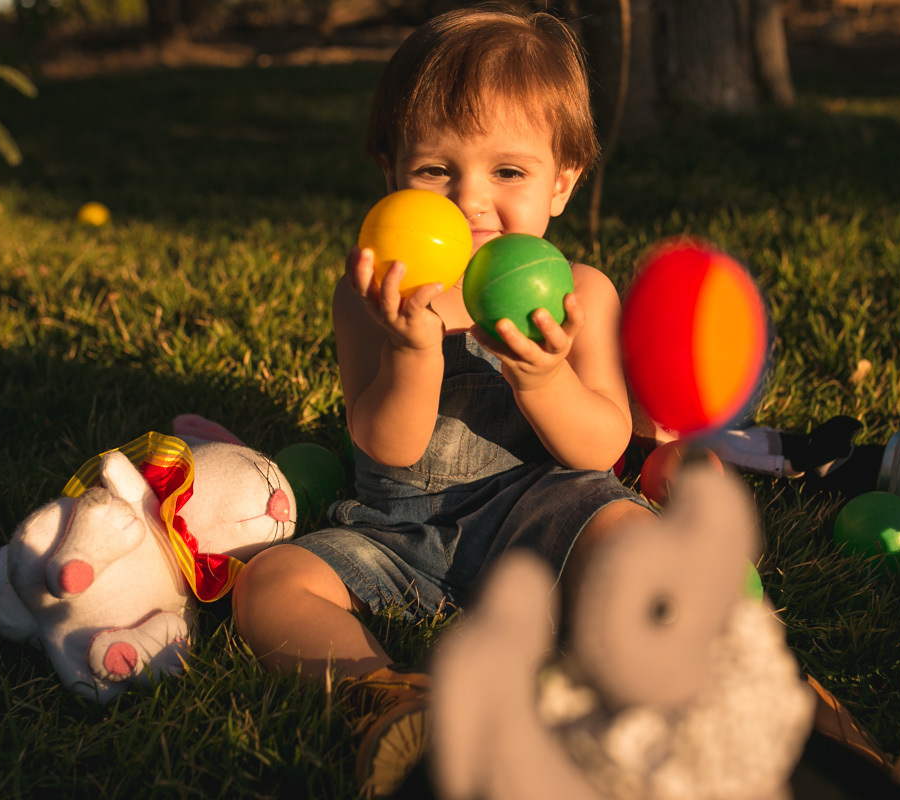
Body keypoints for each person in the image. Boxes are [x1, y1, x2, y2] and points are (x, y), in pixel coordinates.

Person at [231, 4, 657, 796]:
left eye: (508, 172)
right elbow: (384, 447)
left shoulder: (582, 296)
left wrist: (543, 379)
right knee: (269, 584)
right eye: (436, 170)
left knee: (629, 532)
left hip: (544, 511)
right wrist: (411, 352)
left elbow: (602, 450)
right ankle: (385, 697)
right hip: (400, 534)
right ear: (392, 174)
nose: (471, 201)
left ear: (562, 182)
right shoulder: (370, 297)